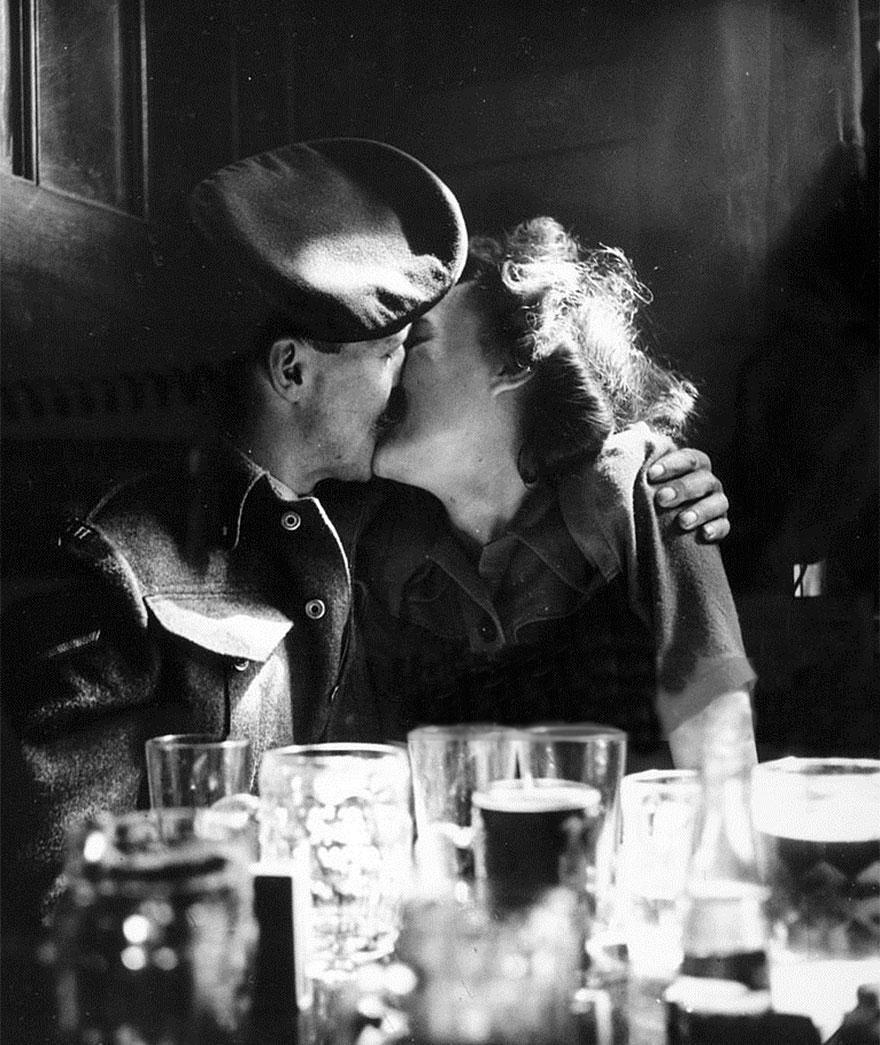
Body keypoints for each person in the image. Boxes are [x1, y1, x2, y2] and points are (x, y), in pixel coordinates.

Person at [0, 144, 728, 984]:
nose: (402, 383)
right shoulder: (123, 560)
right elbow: (54, 904)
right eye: (391, 354)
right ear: (293, 370)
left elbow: (535, 460)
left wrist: (670, 487)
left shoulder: (376, 516)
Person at [362, 217, 757, 773]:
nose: (388, 372)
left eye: (417, 342)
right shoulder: (388, 551)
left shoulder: (636, 490)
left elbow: (722, 761)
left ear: (511, 364)